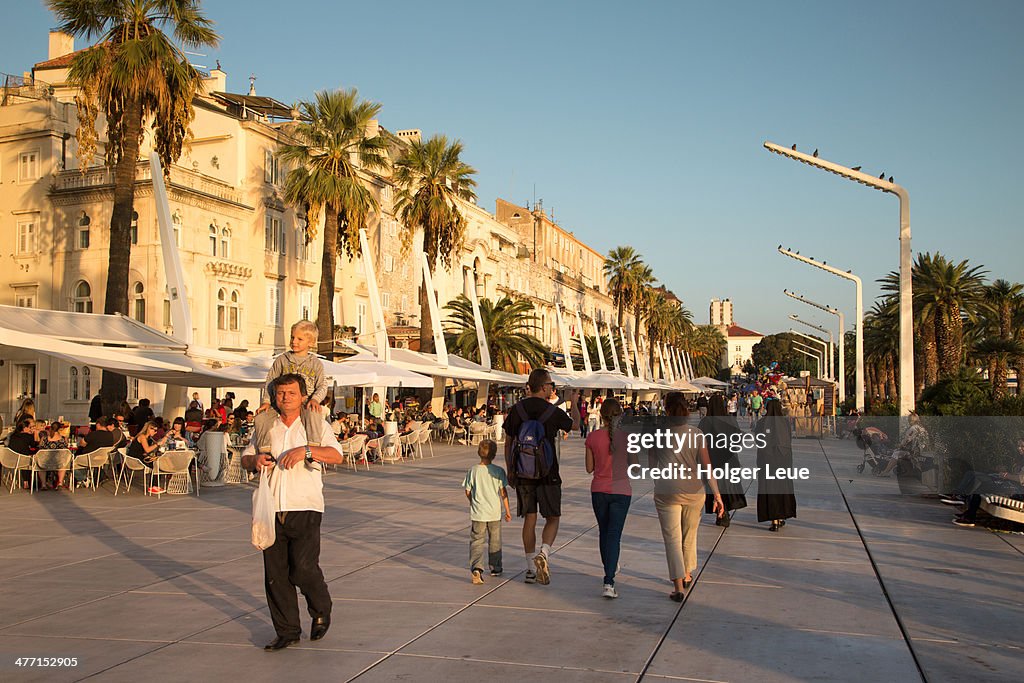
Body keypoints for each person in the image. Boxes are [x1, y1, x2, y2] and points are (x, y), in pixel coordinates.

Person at [240, 373, 344, 652]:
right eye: (281, 393)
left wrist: (306, 450)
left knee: (303, 568)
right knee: (275, 575)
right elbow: (245, 458)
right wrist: (256, 460)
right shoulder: (265, 425)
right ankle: (287, 631)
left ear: (302, 397)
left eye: (291, 393)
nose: (285, 398)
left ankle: (321, 608)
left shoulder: (314, 423)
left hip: (305, 505)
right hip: (271, 506)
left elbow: (336, 455)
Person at [503, 368, 578, 585]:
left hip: (523, 473)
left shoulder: (517, 410)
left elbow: (508, 443)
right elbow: (575, 425)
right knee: (553, 517)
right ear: (544, 387)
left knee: (530, 518)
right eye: (550, 385)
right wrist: (573, 402)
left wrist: (510, 469)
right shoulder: (551, 410)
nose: (551, 388)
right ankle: (544, 553)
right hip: (548, 473)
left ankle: (529, 568)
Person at [652, 392, 724, 601]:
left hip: (667, 490)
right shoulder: (697, 434)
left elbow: (652, 463)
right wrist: (717, 496)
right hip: (694, 491)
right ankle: (687, 573)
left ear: (666, 410)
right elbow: (707, 468)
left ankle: (678, 587)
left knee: (672, 538)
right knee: (689, 535)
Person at [585, 398, 635, 598]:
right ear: (620, 415)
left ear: (602, 415)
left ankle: (610, 569)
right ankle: (609, 581)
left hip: (599, 490)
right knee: (614, 535)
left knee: (604, 533)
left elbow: (589, 468)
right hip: (621, 491)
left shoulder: (592, 437)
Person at [464, 439, 511, 584]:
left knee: (477, 541)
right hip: (494, 513)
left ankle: (477, 568)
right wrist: (507, 511)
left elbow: (467, 490)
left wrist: (472, 501)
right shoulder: (498, 471)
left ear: (479, 452)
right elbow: (503, 493)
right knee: (495, 541)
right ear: (494, 454)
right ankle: (496, 567)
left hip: (478, 512)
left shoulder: (473, 470)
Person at [698, 394, 748, 527]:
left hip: (711, 459)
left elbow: (699, 441)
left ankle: (719, 512)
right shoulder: (729, 420)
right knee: (727, 485)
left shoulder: (704, 422)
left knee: (714, 486)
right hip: (728, 459)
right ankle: (724, 510)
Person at [259, 320, 328, 415]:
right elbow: (270, 381)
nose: (294, 341)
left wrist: (315, 399)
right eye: (292, 337)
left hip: (306, 405)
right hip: (282, 405)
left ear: (311, 342)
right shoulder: (282, 360)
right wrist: (266, 401)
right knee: (261, 418)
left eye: (300, 339)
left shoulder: (315, 363)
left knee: (314, 419)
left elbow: (322, 385)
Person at [755, 399, 797, 531]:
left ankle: (774, 520)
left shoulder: (762, 423)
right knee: (782, 487)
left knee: (770, 488)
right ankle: (781, 515)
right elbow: (789, 439)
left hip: (767, 460)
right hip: (783, 460)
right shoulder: (785, 422)